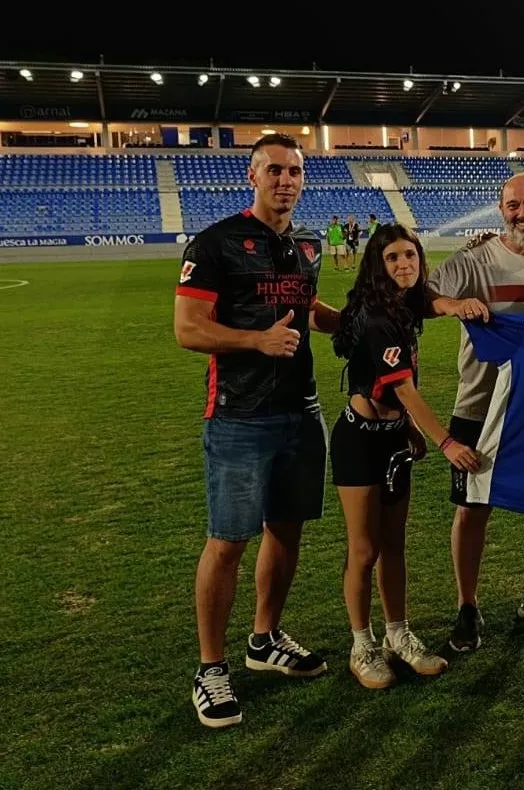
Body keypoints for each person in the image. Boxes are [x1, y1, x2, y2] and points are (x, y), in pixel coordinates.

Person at [173, 132, 340, 729]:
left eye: (294, 171)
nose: (285, 179)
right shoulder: (215, 243)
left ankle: (264, 639)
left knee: (287, 530)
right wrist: (257, 341)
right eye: (274, 170)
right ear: (253, 176)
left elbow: (309, 310)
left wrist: (352, 324)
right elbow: (189, 329)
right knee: (228, 541)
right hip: (240, 414)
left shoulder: (307, 245)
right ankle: (210, 667)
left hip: (302, 410)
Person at [426, 173, 524, 652]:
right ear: (500, 209)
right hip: (478, 405)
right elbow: (424, 295)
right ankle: (467, 607)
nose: (523, 213)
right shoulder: (474, 260)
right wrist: (454, 304)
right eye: (514, 205)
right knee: (472, 508)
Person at [330, 223, 477, 688]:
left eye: (410, 256)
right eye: (393, 258)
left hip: (394, 438)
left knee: (394, 545)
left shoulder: (404, 302)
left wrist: (455, 304)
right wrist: (445, 441)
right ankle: (362, 644)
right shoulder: (377, 316)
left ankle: (398, 635)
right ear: (379, 264)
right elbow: (404, 390)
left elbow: (431, 302)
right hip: (359, 439)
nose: (404, 265)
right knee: (364, 548)